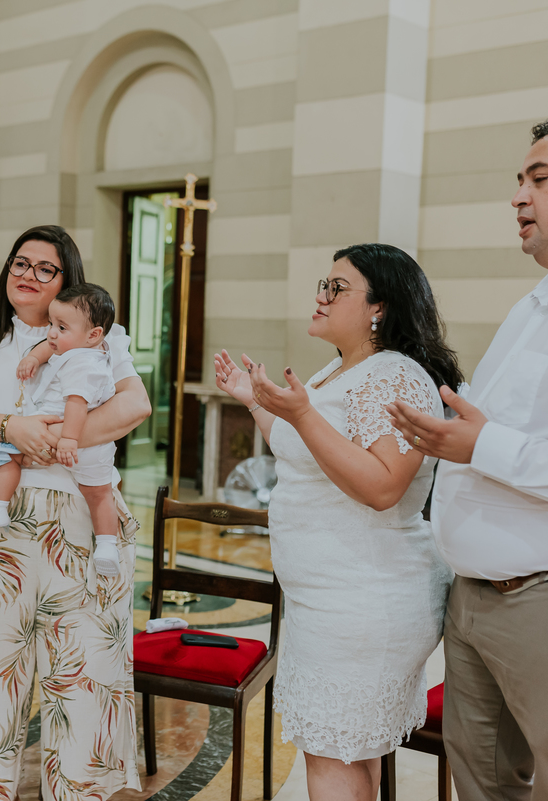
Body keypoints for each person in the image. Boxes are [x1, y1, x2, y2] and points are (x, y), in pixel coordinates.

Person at [388, 116, 548, 800]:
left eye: (539, 178)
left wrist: (483, 444)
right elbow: (500, 421)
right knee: (485, 788)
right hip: (480, 601)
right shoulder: (537, 303)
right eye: (518, 181)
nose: (518, 197)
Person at [215, 243, 461, 801]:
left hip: (364, 598)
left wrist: (299, 411)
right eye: (322, 285)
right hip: (330, 600)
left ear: (380, 307)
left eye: (337, 287)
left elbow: (382, 484)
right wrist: (255, 404)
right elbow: (308, 453)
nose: (320, 296)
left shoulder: (393, 376)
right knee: (346, 755)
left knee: (334, 760)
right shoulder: (341, 370)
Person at [0, 225, 150, 800]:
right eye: (20, 263)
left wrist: (48, 439)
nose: (27, 275)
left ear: (67, 280)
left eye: (45, 268)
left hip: (82, 521)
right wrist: (14, 428)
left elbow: (136, 404)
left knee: (86, 686)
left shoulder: (105, 339)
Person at [0, 283, 122, 578]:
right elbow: (50, 348)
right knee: (101, 495)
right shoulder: (95, 352)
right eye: (51, 323)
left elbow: (76, 403)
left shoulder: (79, 365)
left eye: (61, 328)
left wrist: (69, 440)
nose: (51, 333)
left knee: (5, 453)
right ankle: (107, 545)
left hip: (60, 434)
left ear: (93, 334)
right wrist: (34, 358)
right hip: (98, 448)